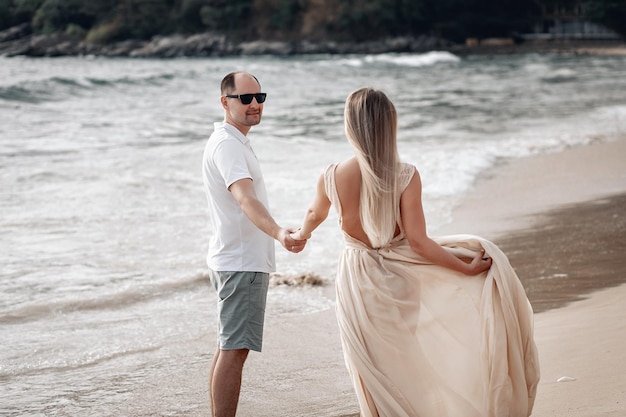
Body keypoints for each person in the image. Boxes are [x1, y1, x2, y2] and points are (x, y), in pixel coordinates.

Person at [291, 87, 539, 417]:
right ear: (389, 126)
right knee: (403, 359)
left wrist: (300, 235)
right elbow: (419, 241)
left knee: (369, 366)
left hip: (358, 277)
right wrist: (464, 268)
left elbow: (318, 216)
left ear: (350, 126)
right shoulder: (405, 175)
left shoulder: (332, 175)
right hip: (399, 277)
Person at [202, 71, 307, 417]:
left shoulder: (233, 141)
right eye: (244, 99)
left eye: (259, 98)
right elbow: (245, 199)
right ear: (225, 102)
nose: (253, 105)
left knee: (228, 348)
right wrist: (278, 232)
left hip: (233, 258)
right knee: (235, 350)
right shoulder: (229, 145)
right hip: (240, 262)